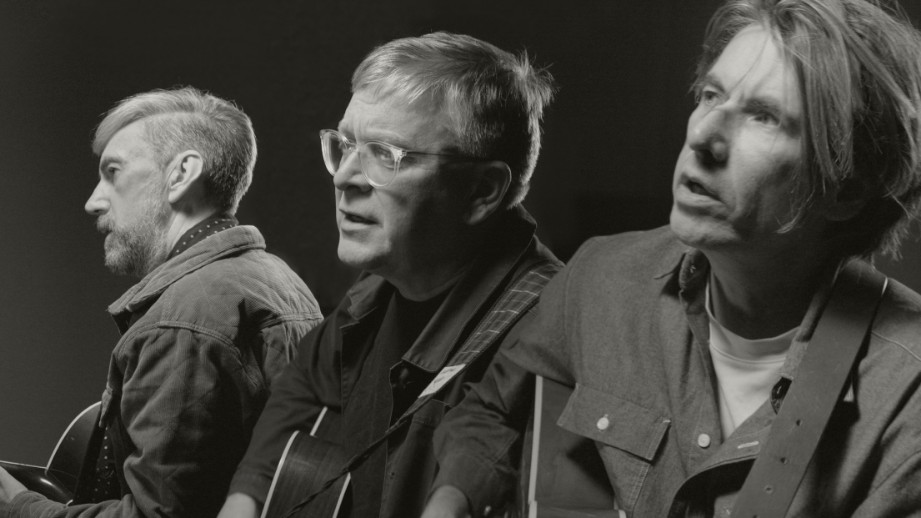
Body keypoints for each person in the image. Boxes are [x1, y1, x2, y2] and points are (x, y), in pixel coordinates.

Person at [423, 0, 921, 516]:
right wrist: (450, 499)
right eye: (711, 95)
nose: (702, 136)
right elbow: (492, 411)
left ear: (848, 189)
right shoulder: (601, 278)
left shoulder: (907, 395)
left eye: (764, 116)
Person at [218, 32, 560, 518]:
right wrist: (245, 499)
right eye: (346, 145)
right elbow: (299, 391)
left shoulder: (555, 331)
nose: (344, 177)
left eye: (387, 154)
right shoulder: (374, 298)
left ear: (483, 191)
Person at [0, 87, 323, 517]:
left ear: (181, 173)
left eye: (112, 172)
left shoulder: (182, 323)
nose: (93, 201)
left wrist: (17, 506)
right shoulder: (280, 284)